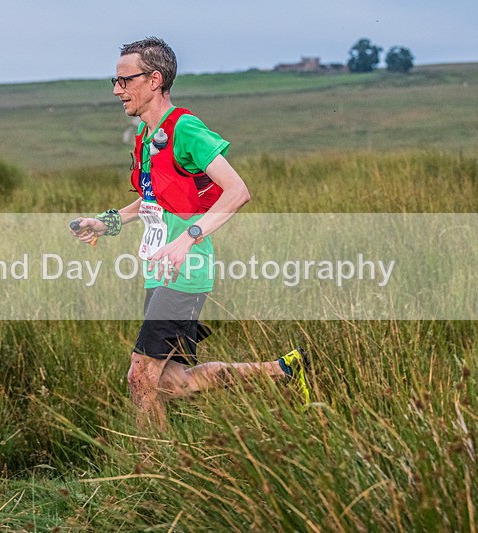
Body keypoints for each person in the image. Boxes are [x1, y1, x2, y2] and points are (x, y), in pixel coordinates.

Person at [71, 37, 310, 431]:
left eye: (124, 81)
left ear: (154, 79)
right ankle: (284, 370)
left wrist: (188, 238)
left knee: (139, 378)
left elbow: (238, 191)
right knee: (172, 382)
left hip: (183, 272)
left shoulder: (185, 128)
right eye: (114, 82)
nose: (117, 90)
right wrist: (106, 221)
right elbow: (153, 203)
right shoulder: (148, 137)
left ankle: (156, 471)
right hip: (160, 272)